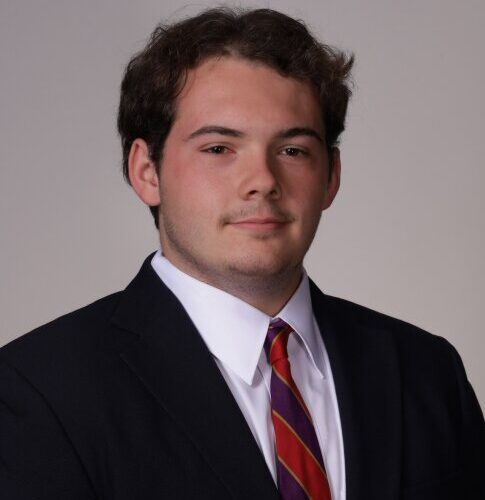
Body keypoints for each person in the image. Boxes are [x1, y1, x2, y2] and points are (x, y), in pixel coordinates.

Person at [0, 7, 483, 500]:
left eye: (293, 150)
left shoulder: (427, 373)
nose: (263, 181)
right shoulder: (39, 392)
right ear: (146, 171)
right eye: (218, 149)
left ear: (331, 176)